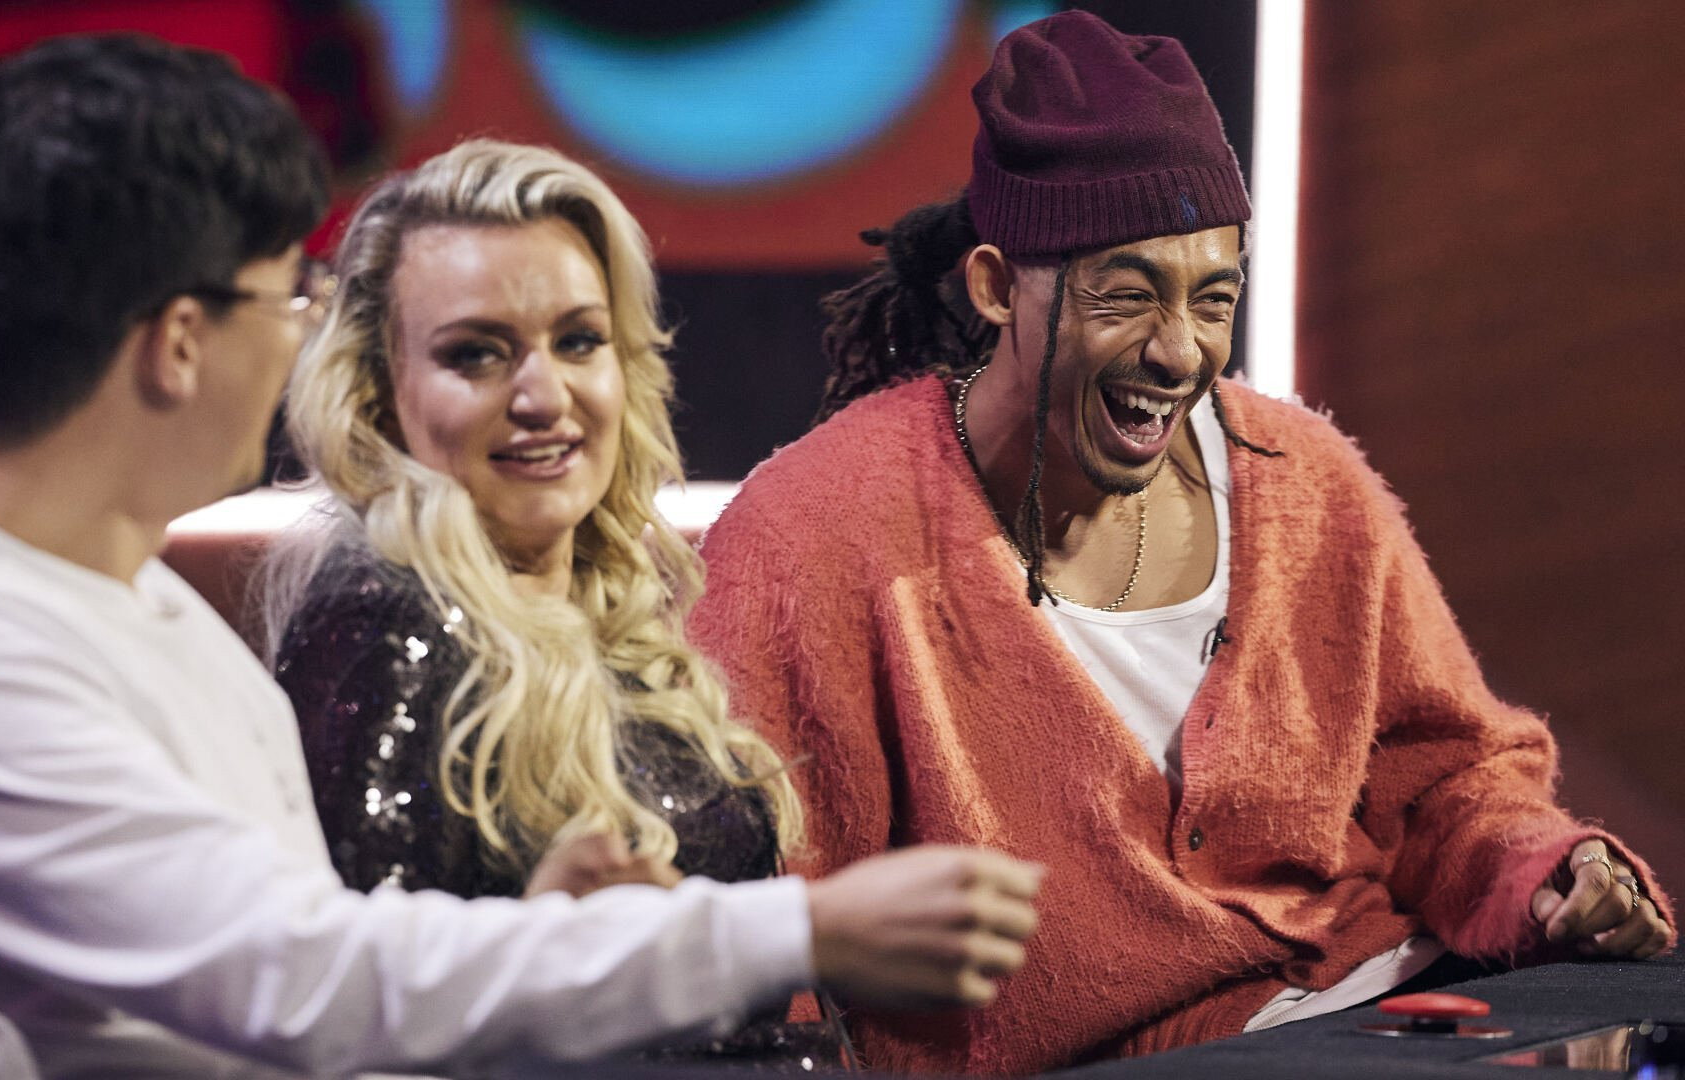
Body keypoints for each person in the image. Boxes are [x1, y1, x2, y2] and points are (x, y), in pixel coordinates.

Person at [0, 35, 1045, 1078]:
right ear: (178, 343)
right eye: (287, 296)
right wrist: (798, 928)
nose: (299, 344)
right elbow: (302, 984)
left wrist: (542, 938)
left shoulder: (113, 605)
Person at [687, 11, 1675, 1076]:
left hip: (1400, 1010)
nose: (1179, 351)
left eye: (1214, 299)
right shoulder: (816, 540)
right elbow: (752, 932)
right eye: (1127, 295)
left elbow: (1445, 780)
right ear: (994, 287)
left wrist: (1547, 873)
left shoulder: (1302, 479)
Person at [258, 138, 825, 1065]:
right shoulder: (383, 625)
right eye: (477, 355)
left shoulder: (610, 611)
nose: (542, 396)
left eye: (578, 341)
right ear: (379, 392)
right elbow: (364, 1033)